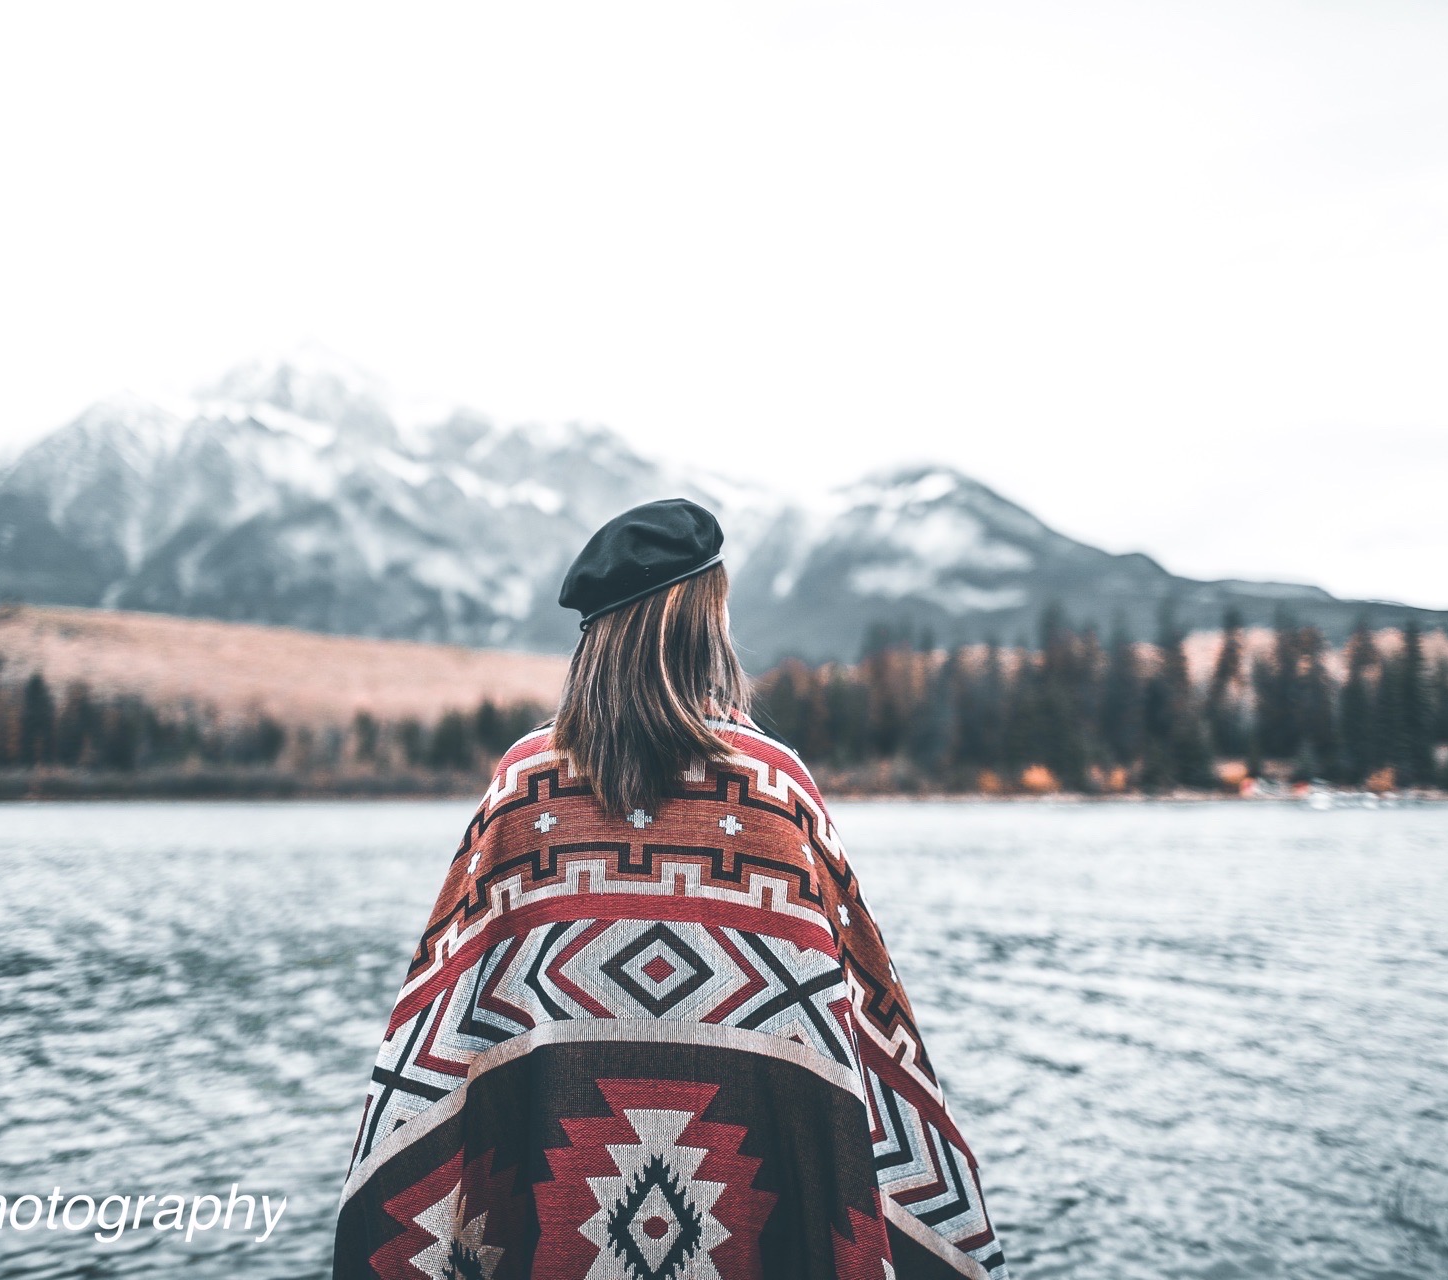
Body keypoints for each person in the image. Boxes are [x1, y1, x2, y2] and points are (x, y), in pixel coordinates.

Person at [332, 499, 1006, 1280]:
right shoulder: (774, 794)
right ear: (702, 627)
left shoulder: (522, 794)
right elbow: (869, 1059)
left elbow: (440, 1052)